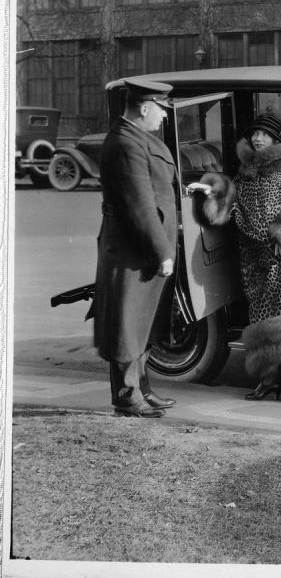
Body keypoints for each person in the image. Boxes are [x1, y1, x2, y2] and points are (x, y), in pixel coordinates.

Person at [194, 113, 281, 406]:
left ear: (276, 139)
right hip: (252, 255)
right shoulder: (246, 171)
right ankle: (268, 381)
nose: (257, 138)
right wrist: (211, 193)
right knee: (260, 318)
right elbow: (231, 202)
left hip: (280, 257)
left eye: (263, 134)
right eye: (254, 134)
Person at [94, 80, 178, 419]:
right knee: (128, 324)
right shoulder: (126, 143)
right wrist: (163, 252)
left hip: (142, 249)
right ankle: (128, 397)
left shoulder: (136, 138)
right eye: (160, 109)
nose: (163, 117)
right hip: (135, 251)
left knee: (142, 323)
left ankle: (141, 388)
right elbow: (140, 206)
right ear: (144, 107)